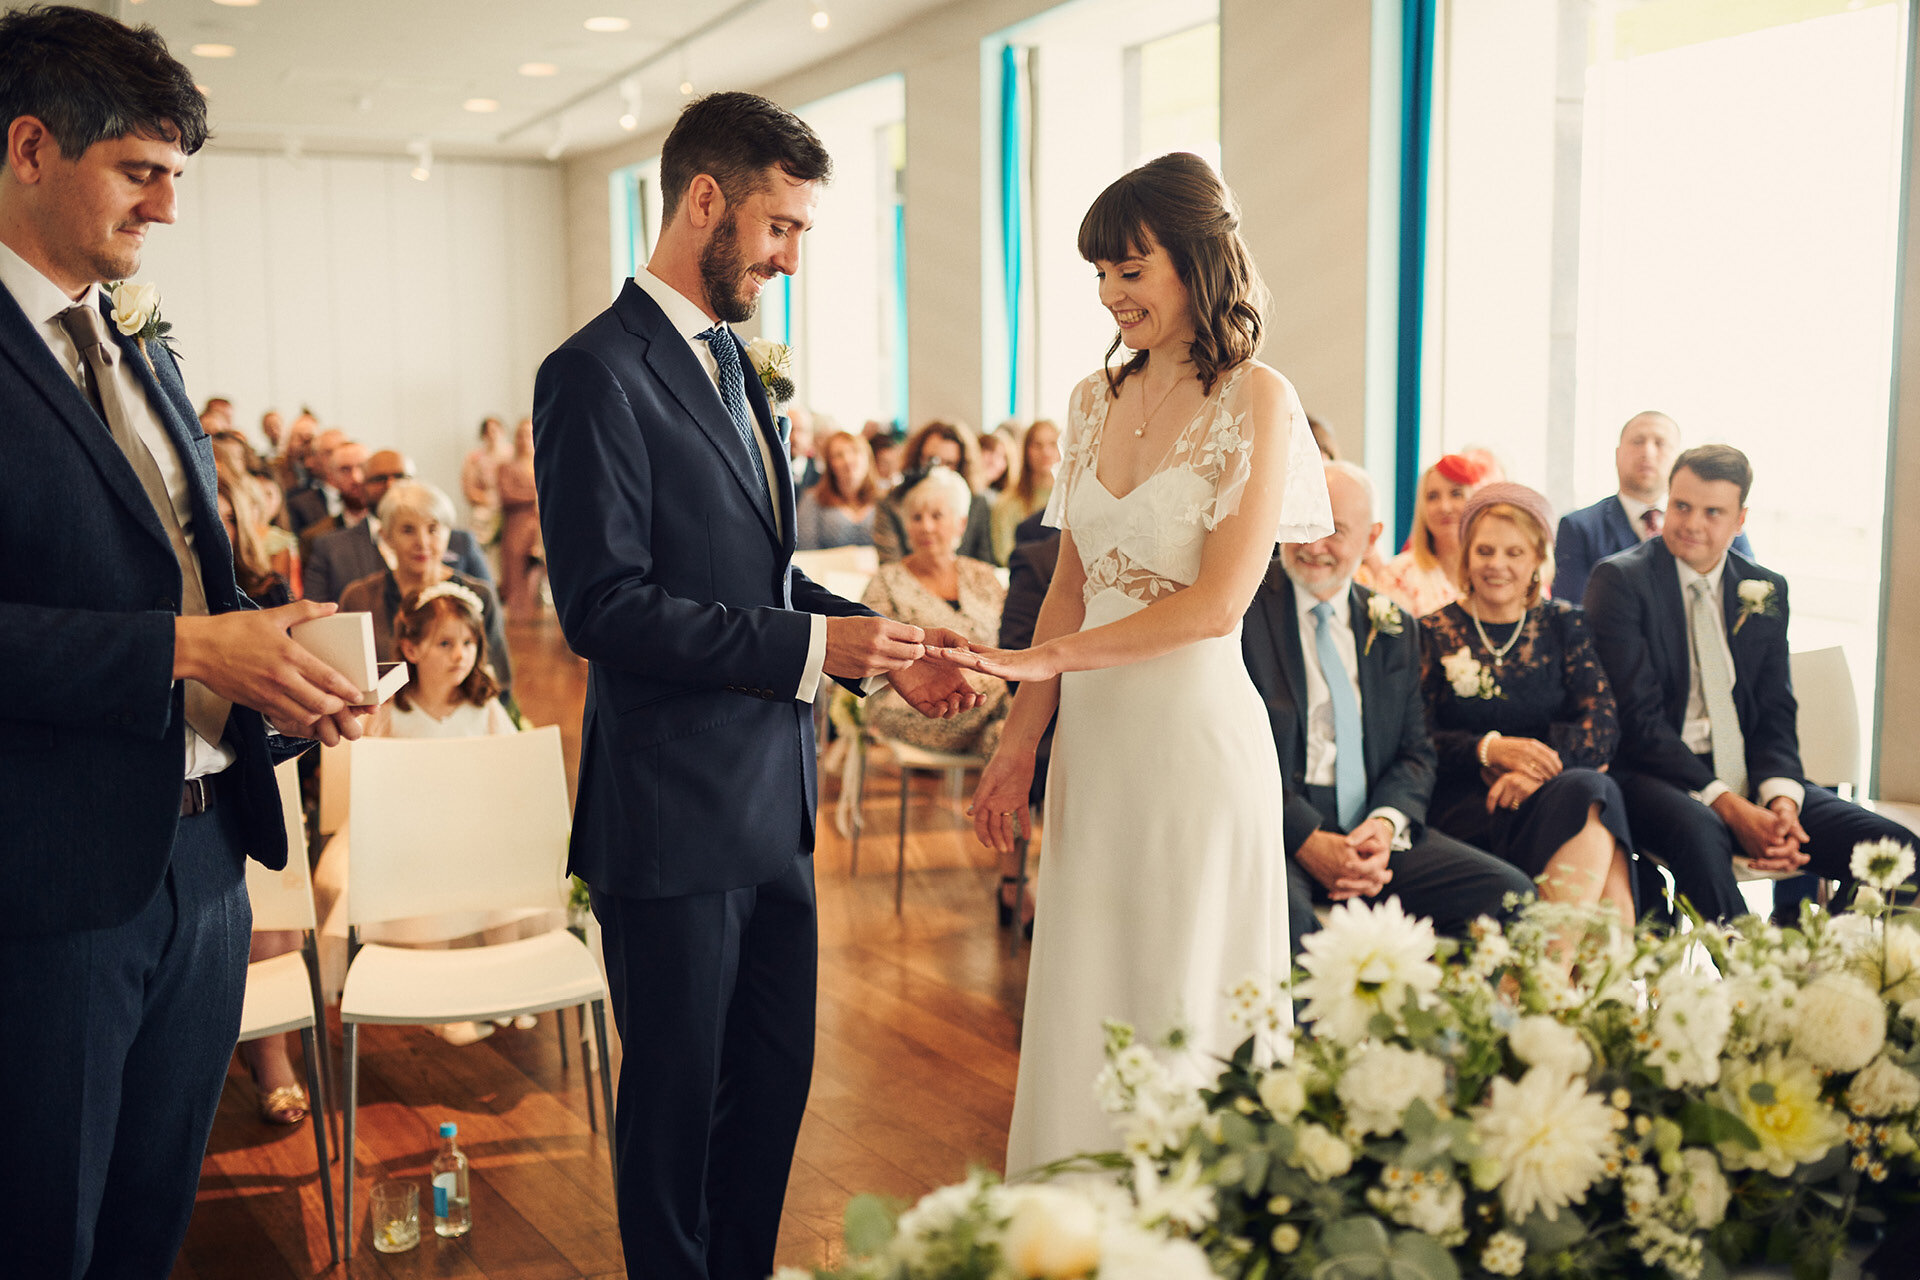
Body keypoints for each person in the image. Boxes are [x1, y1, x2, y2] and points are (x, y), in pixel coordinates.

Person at [531, 91, 977, 1280]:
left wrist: (875, 636)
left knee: (771, 1087)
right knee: (676, 1111)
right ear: (706, 200)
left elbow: (761, 571)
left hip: (772, 809)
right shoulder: (592, 374)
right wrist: (809, 654)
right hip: (672, 815)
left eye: (804, 235)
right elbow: (604, 608)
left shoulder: (742, 369)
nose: (790, 257)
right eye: (781, 228)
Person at [0, 9, 368, 1275]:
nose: (166, 210)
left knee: (156, 1223)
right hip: (49, 879)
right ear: (32, 146)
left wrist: (284, 651)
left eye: (175, 177)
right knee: (46, 1226)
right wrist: (184, 649)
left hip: (213, 860)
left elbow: (185, 571)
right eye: (139, 173)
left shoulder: (132, 338)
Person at [955, 152, 1333, 1173]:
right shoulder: (1089, 401)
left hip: (1194, 741)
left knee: (1184, 981)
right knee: (1090, 973)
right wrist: (1016, 748)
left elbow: (1215, 607)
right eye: (1101, 276)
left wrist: (1046, 662)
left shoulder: (1259, 398)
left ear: (1199, 260)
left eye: (1133, 269)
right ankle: (1078, 1211)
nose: (1115, 294)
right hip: (1100, 747)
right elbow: (1072, 584)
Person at [1585, 445, 1915, 922]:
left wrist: (1780, 802)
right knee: (1702, 831)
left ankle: (1831, 965)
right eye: (1681, 505)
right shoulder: (1619, 580)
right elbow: (1638, 722)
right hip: (1655, 775)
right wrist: (1730, 805)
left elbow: (1775, 711)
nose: (1691, 523)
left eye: (1712, 512)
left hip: (1747, 772)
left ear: (1739, 521)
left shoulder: (1764, 588)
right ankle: (1751, 983)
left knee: (1900, 853)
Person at [1244, 462, 1532, 955]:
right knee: (1291, 931)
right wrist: (1306, 838)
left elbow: (1415, 753)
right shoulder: (1246, 607)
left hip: (1370, 829)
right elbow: (1233, 747)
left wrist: (1384, 825)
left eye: (1333, 529)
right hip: (1275, 826)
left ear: (1372, 536)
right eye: (1303, 523)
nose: (1313, 544)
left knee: (1511, 898)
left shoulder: (1394, 626)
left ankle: (1449, 1032)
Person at [1418, 484, 1636, 932]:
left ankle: (1551, 968)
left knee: (1590, 792)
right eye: (1485, 550)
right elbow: (1415, 736)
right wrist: (1489, 750)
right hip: (1465, 802)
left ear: (1538, 559)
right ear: (1466, 556)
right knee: (1598, 811)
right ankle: (1587, 979)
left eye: (1514, 552)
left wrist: (1532, 768)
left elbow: (1602, 724)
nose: (1497, 565)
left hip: (1548, 790)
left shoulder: (1564, 624)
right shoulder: (1431, 631)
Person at [858, 467, 1012, 755]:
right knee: (1019, 697)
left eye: (937, 516)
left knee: (1004, 738)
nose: (926, 527)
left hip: (984, 707)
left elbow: (1011, 639)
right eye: (917, 518)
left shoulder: (983, 576)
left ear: (961, 524)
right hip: (913, 702)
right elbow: (870, 655)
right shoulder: (886, 581)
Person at [1555, 410, 1753, 604]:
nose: (1647, 452)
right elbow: (1572, 613)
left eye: (1660, 443)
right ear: (1617, 454)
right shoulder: (1579, 527)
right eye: (1637, 442)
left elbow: (1747, 589)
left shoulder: (1719, 524)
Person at [338, 479, 512, 697]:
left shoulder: (478, 596)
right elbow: (346, 680)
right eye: (408, 530)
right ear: (386, 537)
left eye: (433, 529)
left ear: (449, 533)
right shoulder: (359, 598)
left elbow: (500, 682)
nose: (422, 542)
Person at [303, 448, 490, 603]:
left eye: (400, 476)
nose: (391, 485)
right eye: (379, 479)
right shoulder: (331, 548)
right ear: (362, 486)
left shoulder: (460, 541)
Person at [1357, 452, 1487, 617]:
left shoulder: (1492, 571)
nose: (1444, 507)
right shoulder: (1399, 574)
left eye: (1456, 494)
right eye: (1432, 497)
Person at [870, 419, 994, 562]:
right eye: (932, 461)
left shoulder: (977, 503)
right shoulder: (892, 502)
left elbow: (984, 560)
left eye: (949, 463)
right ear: (918, 458)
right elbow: (890, 564)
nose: (938, 470)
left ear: (961, 466)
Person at [794, 427, 881, 550]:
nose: (848, 460)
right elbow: (806, 549)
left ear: (867, 456)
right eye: (838, 455)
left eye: (855, 451)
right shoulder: (813, 500)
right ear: (830, 464)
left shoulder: (885, 498)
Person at [990, 418, 1061, 565]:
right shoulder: (1006, 503)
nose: (1046, 452)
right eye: (1038, 445)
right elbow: (1005, 556)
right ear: (1026, 450)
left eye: (1052, 444)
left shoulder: (1071, 501)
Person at [497, 415, 544, 616]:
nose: (525, 440)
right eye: (521, 436)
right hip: (517, 525)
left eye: (528, 435)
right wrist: (533, 495)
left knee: (538, 572)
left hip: (540, 526)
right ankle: (518, 617)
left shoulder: (543, 463)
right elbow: (506, 495)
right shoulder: (507, 467)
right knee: (515, 572)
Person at [460, 414, 511, 545]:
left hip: (511, 507)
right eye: (488, 432)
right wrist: (487, 500)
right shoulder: (474, 458)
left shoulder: (512, 453)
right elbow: (469, 489)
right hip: (486, 505)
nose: (492, 435)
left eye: (495, 430)